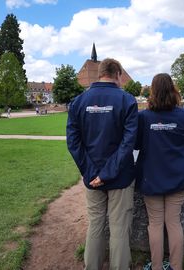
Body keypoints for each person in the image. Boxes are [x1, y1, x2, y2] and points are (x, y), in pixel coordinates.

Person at [66, 58, 138, 270]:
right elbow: (128, 143)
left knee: (95, 224)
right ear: (117, 74)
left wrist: (92, 173)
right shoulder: (127, 100)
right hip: (119, 176)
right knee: (119, 228)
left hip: (95, 176)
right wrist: (105, 173)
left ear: (100, 74)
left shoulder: (78, 101)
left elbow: (73, 142)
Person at [135, 73, 184, 270]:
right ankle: (175, 267)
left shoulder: (143, 117)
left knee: (156, 224)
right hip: (177, 176)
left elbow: (136, 144)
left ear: (153, 91)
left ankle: (157, 266)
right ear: (172, 89)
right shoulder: (183, 115)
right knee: (173, 223)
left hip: (152, 178)